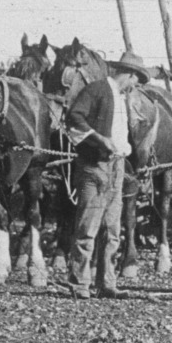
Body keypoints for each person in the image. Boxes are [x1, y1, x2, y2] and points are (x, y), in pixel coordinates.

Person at [63, 50, 150, 299]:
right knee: (87, 226)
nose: (136, 85)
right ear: (129, 75)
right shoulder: (97, 90)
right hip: (95, 166)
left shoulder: (122, 99)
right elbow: (74, 117)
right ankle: (80, 283)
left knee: (112, 228)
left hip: (117, 167)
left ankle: (107, 283)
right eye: (136, 80)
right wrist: (100, 140)